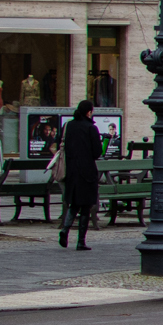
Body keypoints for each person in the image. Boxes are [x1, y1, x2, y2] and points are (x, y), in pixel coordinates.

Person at [57, 100, 101, 250]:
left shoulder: (68, 126)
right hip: (87, 171)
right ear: (89, 112)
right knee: (86, 206)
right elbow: (97, 152)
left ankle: (65, 229)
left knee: (75, 203)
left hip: (71, 170)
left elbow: (60, 143)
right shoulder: (91, 128)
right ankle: (81, 241)